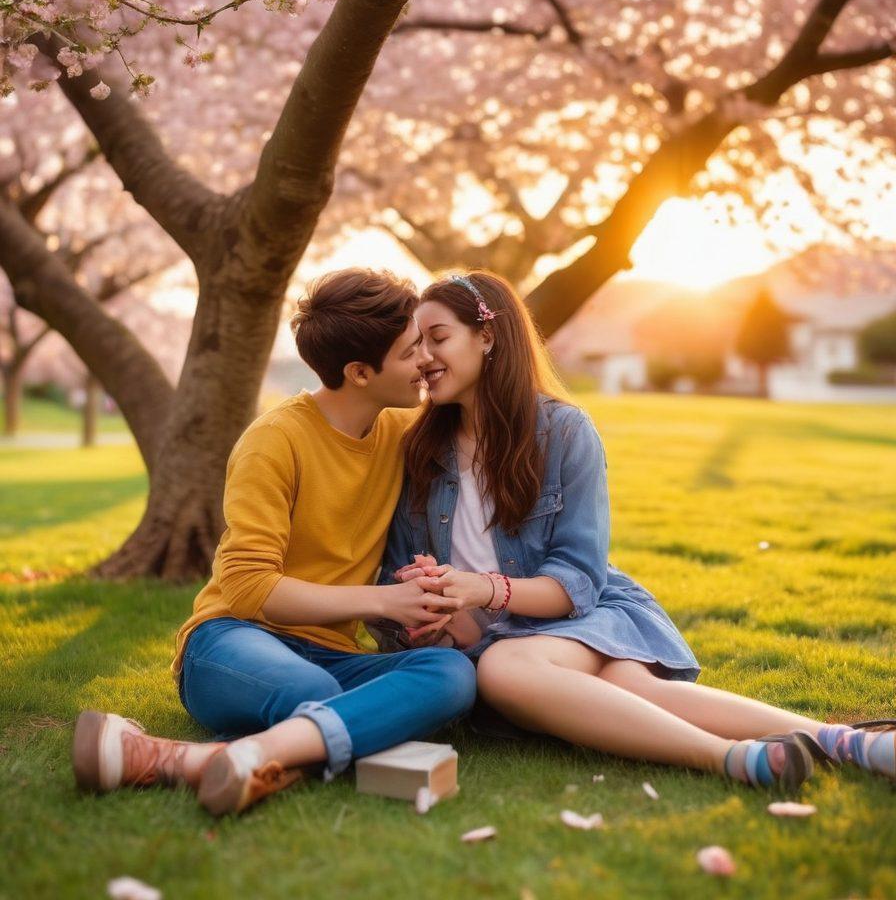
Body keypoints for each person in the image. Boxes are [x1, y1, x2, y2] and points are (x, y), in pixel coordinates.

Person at [379, 270, 896, 791]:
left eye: (438, 338)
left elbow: (577, 582)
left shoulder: (563, 432)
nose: (423, 357)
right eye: (417, 344)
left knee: (505, 667)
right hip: (500, 642)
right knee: (624, 683)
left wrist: (485, 588)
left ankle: (736, 759)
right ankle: (846, 743)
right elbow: (406, 588)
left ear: (487, 337)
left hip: (580, 617)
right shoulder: (418, 449)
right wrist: (432, 608)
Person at [72, 269, 476, 815]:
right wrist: (382, 601)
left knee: (452, 675)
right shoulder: (273, 441)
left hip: (333, 654)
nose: (426, 360)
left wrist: (415, 585)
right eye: (411, 352)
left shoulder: (400, 430)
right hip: (233, 642)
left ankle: (187, 759)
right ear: (359, 372)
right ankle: (301, 740)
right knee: (315, 694)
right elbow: (246, 587)